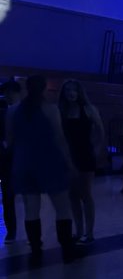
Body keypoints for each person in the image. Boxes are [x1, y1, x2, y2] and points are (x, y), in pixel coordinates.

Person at [6, 75, 79, 264]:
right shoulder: (51, 109)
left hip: (24, 164)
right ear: (45, 88)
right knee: (62, 208)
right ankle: (67, 251)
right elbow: (59, 138)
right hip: (50, 162)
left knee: (31, 210)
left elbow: (10, 141)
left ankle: (36, 252)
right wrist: (68, 160)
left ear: (26, 88)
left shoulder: (13, 111)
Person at [59, 80, 104, 245]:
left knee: (85, 193)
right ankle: (78, 232)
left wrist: (97, 148)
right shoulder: (61, 111)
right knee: (72, 196)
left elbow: (100, 129)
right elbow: (60, 136)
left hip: (85, 154)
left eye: (73, 90)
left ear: (79, 92)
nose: (71, 93)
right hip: (68, 156)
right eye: (67, 90)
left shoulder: (88, 109)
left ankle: (89, 233)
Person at [0, 79, 22, 242]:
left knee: (30, 198)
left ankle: (34, 233)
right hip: (7, 160)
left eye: (10, 92)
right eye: (5, 93)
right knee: (8, 196)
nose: (7, 96)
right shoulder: (2, 111)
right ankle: (11, 231)